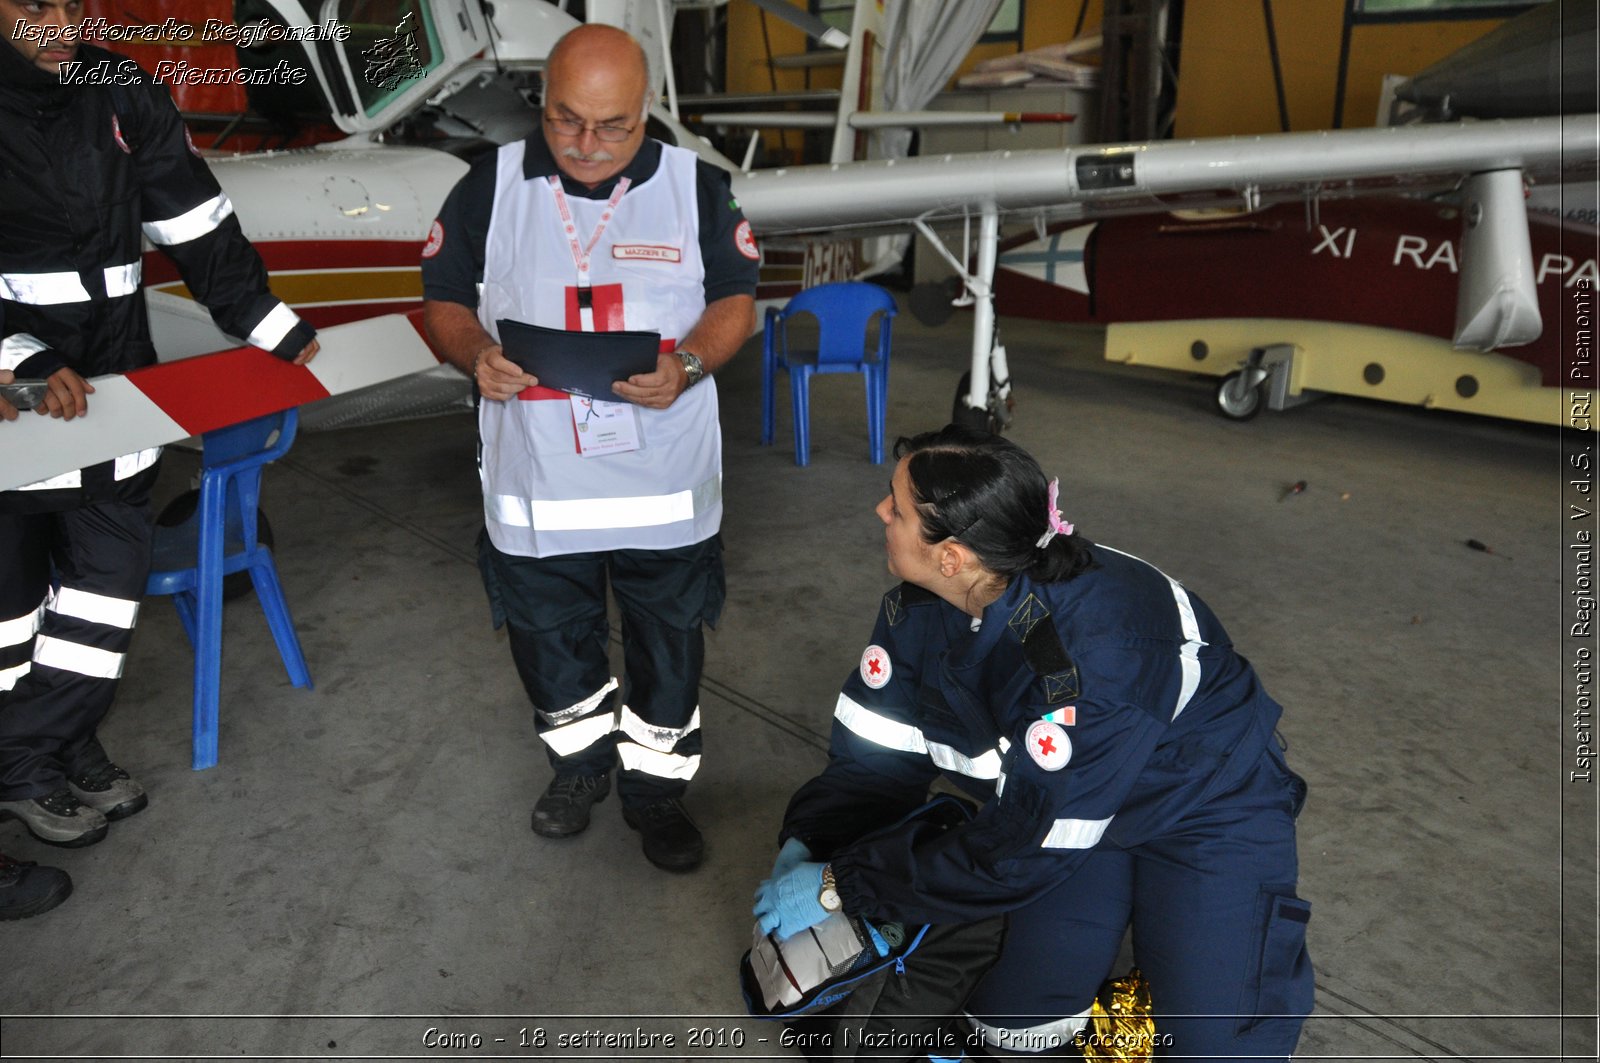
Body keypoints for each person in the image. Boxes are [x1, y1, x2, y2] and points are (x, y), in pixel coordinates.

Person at [753, 425, 1314, 1059]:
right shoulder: (921, 610)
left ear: (952, 555)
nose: (881, 510)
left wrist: (839, 883)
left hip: (1201, 803)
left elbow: (1016, 856)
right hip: (1063, 810)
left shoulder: (1087, 664)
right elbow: (875, 756)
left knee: (1216, 1045)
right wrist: (812, 837)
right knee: (1013, 1021)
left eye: (897, 506)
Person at [420, 24, 758, 873]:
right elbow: (444, 298)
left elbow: (736, 303)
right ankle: (579, 771)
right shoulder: (487, 185)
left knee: (670, 650)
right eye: (567, 121)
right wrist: (473, 353)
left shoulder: (700, 190)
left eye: (613, 126)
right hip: (538, 485)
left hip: (663, 484)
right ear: (544, 103)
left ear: (647, 112)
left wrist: (686, 363)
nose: (586, 146)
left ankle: (656, 795)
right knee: (550, 646)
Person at [0, 0, 318, 858]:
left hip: (117, 399)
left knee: (105, 594)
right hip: (16, 422)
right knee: (11, 618)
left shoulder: (117, 86)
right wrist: (18, 355)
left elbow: (193, 218)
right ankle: (34, 755)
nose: (60, 21)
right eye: (34, 5)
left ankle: (41, 749)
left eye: (73, 1)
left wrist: (267, 320)